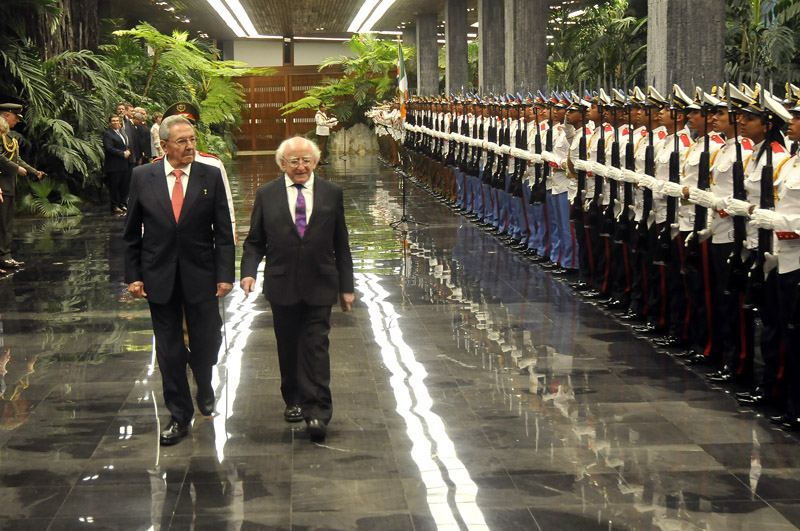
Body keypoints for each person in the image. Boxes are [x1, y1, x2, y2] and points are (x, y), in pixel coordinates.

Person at [122, 115, 235, 446]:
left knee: (207, 342)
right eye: (182, 141)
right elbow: (131, 233)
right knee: (169, 351)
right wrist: (133, 276)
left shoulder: (209, 175)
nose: (190, 146)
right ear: (164, 145)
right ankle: (179, 415)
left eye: (193, 139)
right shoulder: (143, 176)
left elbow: (223, 234)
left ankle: (204, 381)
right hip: (159, 276)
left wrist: (224, 274)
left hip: (201, 274)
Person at [240, 136, 354, 442]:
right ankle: (292, 398)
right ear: (282, 164)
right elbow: (255, 241)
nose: (301, 166)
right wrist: (248, 272)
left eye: (306, 160)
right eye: (294, 161)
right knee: (288, 345)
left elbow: (341, 243)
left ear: (316, 162)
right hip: (281, 282)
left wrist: (347, 286)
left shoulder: (332, 193)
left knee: (316, 345)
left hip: (320, 281)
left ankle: (317, 411)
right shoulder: (267, 194)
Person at [0, 104, 44, 271]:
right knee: (2, 223)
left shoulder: (9, 136)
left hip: (10, 184)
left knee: (7, 222)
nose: (17, 121)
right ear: (6, 115)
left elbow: (16, 159)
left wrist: (34, 172)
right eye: (15, 117)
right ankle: (4, 256)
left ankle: (6, 255)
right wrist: (16, 169)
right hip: (2, 183)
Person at [102, 114, 131, 214]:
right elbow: (109, 148)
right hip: (114, 165)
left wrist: (127, 150)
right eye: (113, 121)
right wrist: (122, 153)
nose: (115, 122)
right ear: (110, 123)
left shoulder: (120, 132)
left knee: (123, 185)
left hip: (123, 164)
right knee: (114, 186)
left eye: (117, 120)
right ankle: (114, 205)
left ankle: (121, 203)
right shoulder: (108, 134)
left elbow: (124, 145)